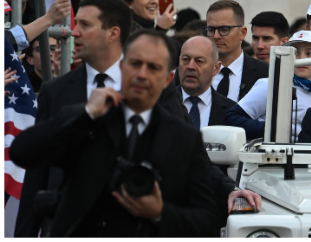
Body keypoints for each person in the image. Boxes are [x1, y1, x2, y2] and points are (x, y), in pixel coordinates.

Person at [11, 30, 227, 237]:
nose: (142, 75)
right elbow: (22, 152)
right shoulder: (89, 120)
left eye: (153, 67)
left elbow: (207, 222)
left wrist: (160, 212)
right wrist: (85, 113)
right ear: (122, 67)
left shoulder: (184, 138)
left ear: (167, 79)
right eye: (135, 64)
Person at [224, 30, 311, 142]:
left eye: (309, 54)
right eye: (295, 53)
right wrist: (270, 130)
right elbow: (232, 118)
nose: (301, 59)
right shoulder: (269, 85)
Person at [205, 0, 268, 101]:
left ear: (242, 33)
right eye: (211, 30)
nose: (216, 36)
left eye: (224, 29)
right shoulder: (195, 71)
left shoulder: (265, 74)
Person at [177, 36, 236, 129]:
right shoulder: (160, 104)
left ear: (216, 68)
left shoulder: (231, 111)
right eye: (185, 59)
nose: (190, 66)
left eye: (199, 61)